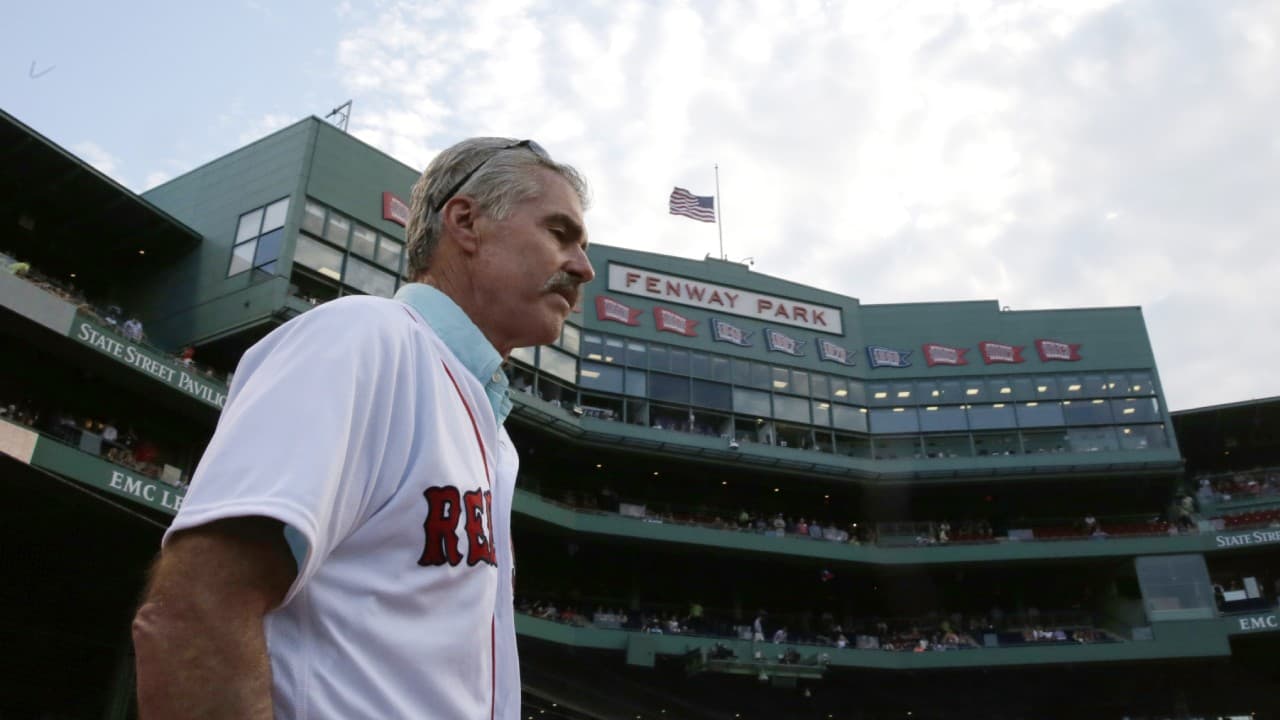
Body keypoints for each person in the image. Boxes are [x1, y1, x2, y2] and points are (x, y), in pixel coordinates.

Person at [132, 137, 594, 719]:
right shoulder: (365, 337)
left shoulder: (490, 430)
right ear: (466, 222)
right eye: (560, 233)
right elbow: (198, 607)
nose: (583, 268)